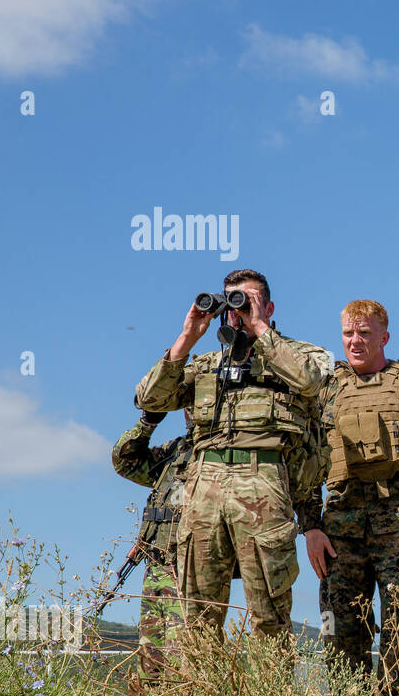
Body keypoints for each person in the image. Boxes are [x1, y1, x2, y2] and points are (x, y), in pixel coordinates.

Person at [135, 268, 330, 644]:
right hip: (203, 483)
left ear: (269, 307)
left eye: (248, 301)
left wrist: (259, 329)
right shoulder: (206, 365)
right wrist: (187, 337)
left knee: (268, 613)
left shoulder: (300, 354)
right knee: (197, 615)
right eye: (231, 302)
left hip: (264, 478)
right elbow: (149, 399)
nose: (236, 311)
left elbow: (309, 381)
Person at [299, 300, 399, 696]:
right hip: (340, 527)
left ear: (384, 337)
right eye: (349, 334)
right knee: (341, 634)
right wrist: (310, 526)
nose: (356, 341)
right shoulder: (324, 390)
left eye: (365, 333)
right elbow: (304, 460)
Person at [110, 404, 196, 684]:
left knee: (180, 660)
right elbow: (125, 461)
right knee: (149, 660)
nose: (191, 411)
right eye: (189, 405)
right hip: (156, 565)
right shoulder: (177, 450)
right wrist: (147, 422)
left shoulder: (217, 457)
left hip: (187, 568)